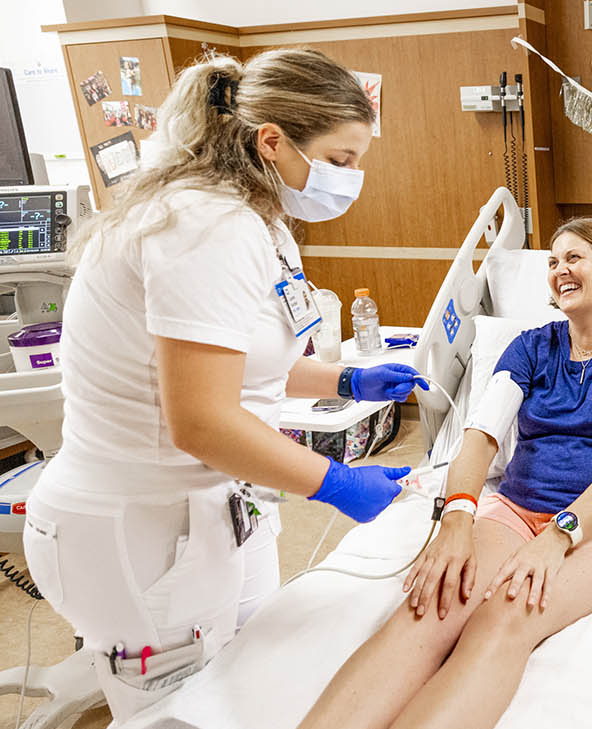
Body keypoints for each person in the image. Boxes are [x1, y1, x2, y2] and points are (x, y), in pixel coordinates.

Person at [21, 49, 426, 722]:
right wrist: (336, 482)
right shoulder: (202, 225)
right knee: (180, 713)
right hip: (140, 527)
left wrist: (348, 375)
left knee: (249, 682)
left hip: (215, 506)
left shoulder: (259, 220)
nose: (351, 179)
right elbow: (202, 419)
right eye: (341, 158)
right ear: (273, 141)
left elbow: (242, 358)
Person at [299, 217, 592, 729]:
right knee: (432, 603)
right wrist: (456, 521)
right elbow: (480, 436)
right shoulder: (529, 347)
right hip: (519, 507)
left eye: (574, 258)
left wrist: (559, 536)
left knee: (505, 617)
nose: (559, 270)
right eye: (552, 261)